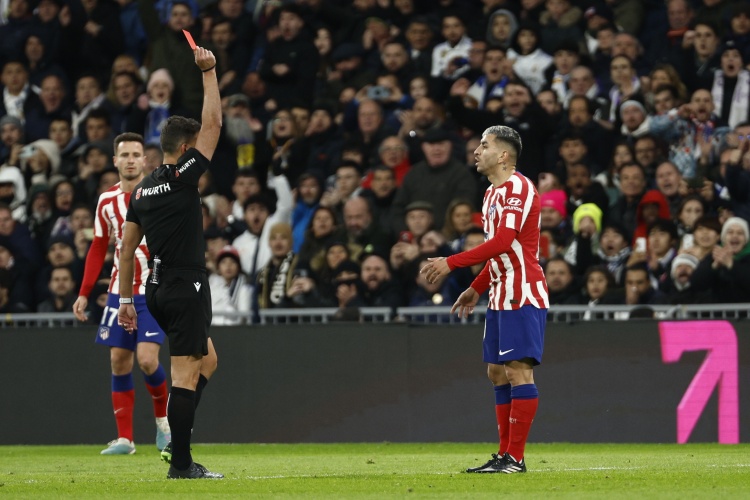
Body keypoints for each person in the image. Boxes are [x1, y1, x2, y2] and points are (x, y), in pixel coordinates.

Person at [116, 45, 223, 480]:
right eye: (196, 147)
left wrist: (126, 300)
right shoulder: (182, 178)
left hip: (155, 289)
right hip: (185, 286)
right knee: (184, 375)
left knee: (207, 361)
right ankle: (180, 462)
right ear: (184, 147)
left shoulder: (141, 191)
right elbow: (214, 124)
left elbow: (126, 250)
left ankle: (180, 439)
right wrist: (209, 72)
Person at [420, 125, 548, 474]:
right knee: (496, 372)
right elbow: (498, 254)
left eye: (484, 145)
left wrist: (451, 262)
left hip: (522, 291)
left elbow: (504, 241)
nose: (476, 151)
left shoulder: (519, 187)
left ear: (503, 155)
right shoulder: (491, 194)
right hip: (500, 294)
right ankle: (504, 454)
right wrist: (477, 287)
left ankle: (515, 459)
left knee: (518, 372)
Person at [72, 132, 171, 456]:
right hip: (119, 291)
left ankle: (163, 424)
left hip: (153, 290)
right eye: (124, 155)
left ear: (145, 160)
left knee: (147, 360)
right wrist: (85, 292)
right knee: (118, 361)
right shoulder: (106, 200)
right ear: (115, 160)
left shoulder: (158, 193)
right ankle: (126, 439)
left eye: (135, 154)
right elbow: (98, 246)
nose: (130, 160)